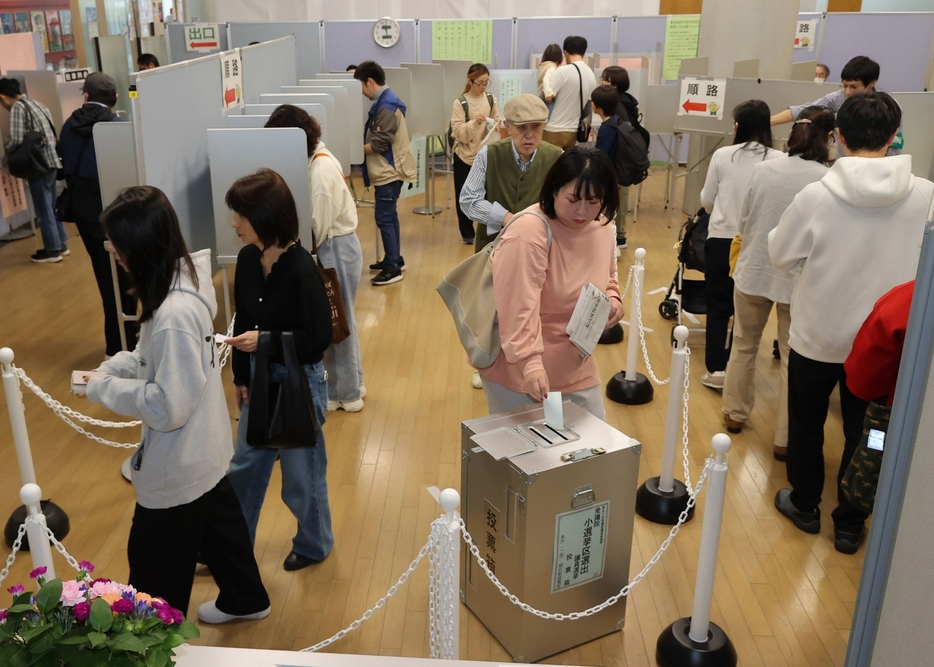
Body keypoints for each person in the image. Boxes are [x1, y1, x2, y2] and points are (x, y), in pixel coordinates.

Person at [81, 186, 270, 624]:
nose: (114, 254)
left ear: (140, 247)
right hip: (203, 450)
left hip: (181, 459)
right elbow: (153, 357)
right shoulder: (180, 281)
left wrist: (103, 389)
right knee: (219, 528)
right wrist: (110, 370)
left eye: (119, 246)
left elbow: (169, 406)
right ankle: (245, 597)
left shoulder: (174, 314)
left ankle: (153, 644)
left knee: (152, 570)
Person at [769, 92, 933, 554]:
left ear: (837, 136)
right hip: (885, 346)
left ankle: (804, 504)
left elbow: (780, 255)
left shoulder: (815, 195)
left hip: (817, 335)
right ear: (894, 136)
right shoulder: (925, 194)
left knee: (806, 422)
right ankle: (850, 520)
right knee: (871, 431)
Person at [224, 169, 335, 572]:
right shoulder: (247, 259)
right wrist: (240, 375)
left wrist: (266, 340)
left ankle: (314, 543)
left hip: (298, 383)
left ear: (266, 216)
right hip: (257, 378)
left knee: (301, 478)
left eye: (240, 215)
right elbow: (242, 324)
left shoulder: (302, 269)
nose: (234, 223)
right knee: (244, 468)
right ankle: (233, 544)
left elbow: (317, 338)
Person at [721, 106, 835, 460]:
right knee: (790, 359)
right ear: (828, 138)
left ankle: (734, 415)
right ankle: (784, 440)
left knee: (743, 344)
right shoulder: (824, 180)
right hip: (797, 281)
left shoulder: (764, 170)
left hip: (754, 268)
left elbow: (745, 217)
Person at [478, 147, 623, 419]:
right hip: (522, 369)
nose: (582, 211)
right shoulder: (528, 233)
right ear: (554, 189)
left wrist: (613, 299)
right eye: (573, 199)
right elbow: (517, 307)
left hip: (575, 361)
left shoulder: (601, 226)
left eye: (593, 201)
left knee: (588, 449)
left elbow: (608, 275)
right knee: (528, 455)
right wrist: (530, 364)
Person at [264, 104, 366, 413]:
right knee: (340, 318)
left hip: (335, 248)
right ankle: (352, 383)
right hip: (340, 247)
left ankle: (345, 394)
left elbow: (316, 231)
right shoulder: (320, 156)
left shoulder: (319, 171)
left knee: (335, 323)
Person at [699, 100, 783, 390]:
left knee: (718, 306)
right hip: (756, 242)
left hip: (722, 237)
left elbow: (707, 200)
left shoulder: (723, 155)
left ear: (739, 126)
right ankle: (736, 367)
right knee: (748, 311)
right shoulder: (777, 158)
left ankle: (716, 370)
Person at [57, 72, 138, 359]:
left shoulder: (69, 125)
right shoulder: (116, 127)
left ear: (86, 96)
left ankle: (117, 345)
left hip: (84, 213)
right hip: (114, 215)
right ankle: (124, 346)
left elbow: (63, 160)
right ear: (115, 98)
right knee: (125, 279)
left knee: (106, 279)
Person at [353, 60, 417, 286]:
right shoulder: (385, 102)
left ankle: (392, 268)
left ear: (369, 81)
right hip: (388, 170)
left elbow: (380, 144)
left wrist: (352, 151)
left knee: (384, 218)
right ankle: (395, 258)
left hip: (389, 171)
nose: (361, 92)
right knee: (390, 216)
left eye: (360, 85)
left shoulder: (386, 106)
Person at [771, 56, 902, 155]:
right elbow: (805, 110)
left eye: (854, 87)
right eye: (845, 85)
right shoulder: (838, 98)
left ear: (872, 83)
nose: (848, 92)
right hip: (843, 167)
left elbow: (895, 146)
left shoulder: (889, 106)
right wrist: (767, 121)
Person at [0, 78, 66, 263]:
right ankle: (61, 244)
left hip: (37, 166)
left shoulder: (18, 109)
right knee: (51, 206)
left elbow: (15, 139)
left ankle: (53, 251)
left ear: (2, 96)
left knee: (43, 209)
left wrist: (4, 153)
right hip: (51, 162)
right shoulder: (37, 104)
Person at [450, 64, 501, 246]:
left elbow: (497, 123)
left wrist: (491, 124)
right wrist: (475, 123)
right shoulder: (460, 102)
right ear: (470, 81)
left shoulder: (490, 99)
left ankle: (486, 229)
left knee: (488, 193)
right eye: (480, 83)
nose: (483, 86)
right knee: (463, 194)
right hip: (465, 155)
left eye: (486, 82)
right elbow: (458, 132)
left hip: (486, 153)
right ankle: (467, 232)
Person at [591, 85, 631, 250]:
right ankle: (617, 239)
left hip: (610, 177)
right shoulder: (618, 122)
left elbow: (602, 157)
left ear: (598, 107)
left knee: (607, 210)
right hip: (621, 173)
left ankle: (608, 241)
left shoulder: (607, 129)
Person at [542, 36, 596, 150]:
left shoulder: (563, 72)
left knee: (549, 166)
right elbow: (587, 108)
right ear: (584, 52)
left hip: (553, 130)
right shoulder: (591, 75)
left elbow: (547, 97)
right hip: (573, 132)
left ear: (565, 53)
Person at [537, 43, 562, 112]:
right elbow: (546, 79)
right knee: (549, 118)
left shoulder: (544, 66)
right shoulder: (552, 67)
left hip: (540, 94)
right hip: (546, 96)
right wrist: (549, 94)